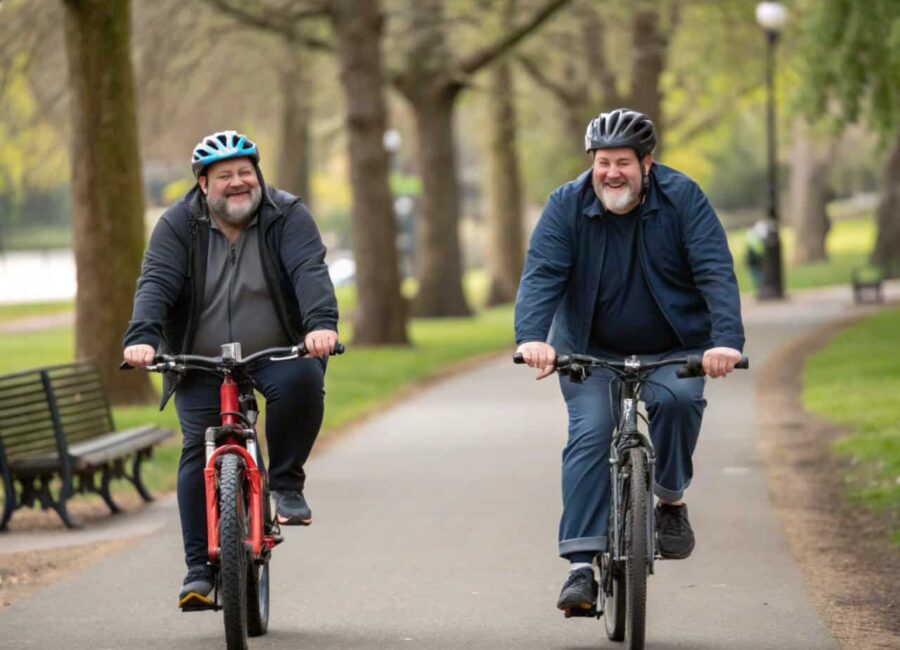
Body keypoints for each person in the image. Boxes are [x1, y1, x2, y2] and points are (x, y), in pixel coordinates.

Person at [514, 108, 745, 615]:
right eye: (602, 162)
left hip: (673, 346)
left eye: (622, 162)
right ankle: (580, 566)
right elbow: (542, 273)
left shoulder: (684, 199)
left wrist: (725, 340)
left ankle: (668, 500)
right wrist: (533, 337)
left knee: (681, 399)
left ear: (647, 163)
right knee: (592, 431)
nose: (611, 173)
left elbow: (714, 270)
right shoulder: (566, 205)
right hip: (588, 349)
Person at [122, 130, 339, 606]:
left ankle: (285, 484)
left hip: (274, 350)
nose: (239, 183)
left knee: (303, 382)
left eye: (246, 172)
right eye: (225, 176)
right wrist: (141, 337)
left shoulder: (288, 215)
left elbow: (310, 270)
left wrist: (320, 326)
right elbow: (156, 280)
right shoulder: (178, 224)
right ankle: (198, 571)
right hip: (199, 357)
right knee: (197, 448)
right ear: (203, 183)